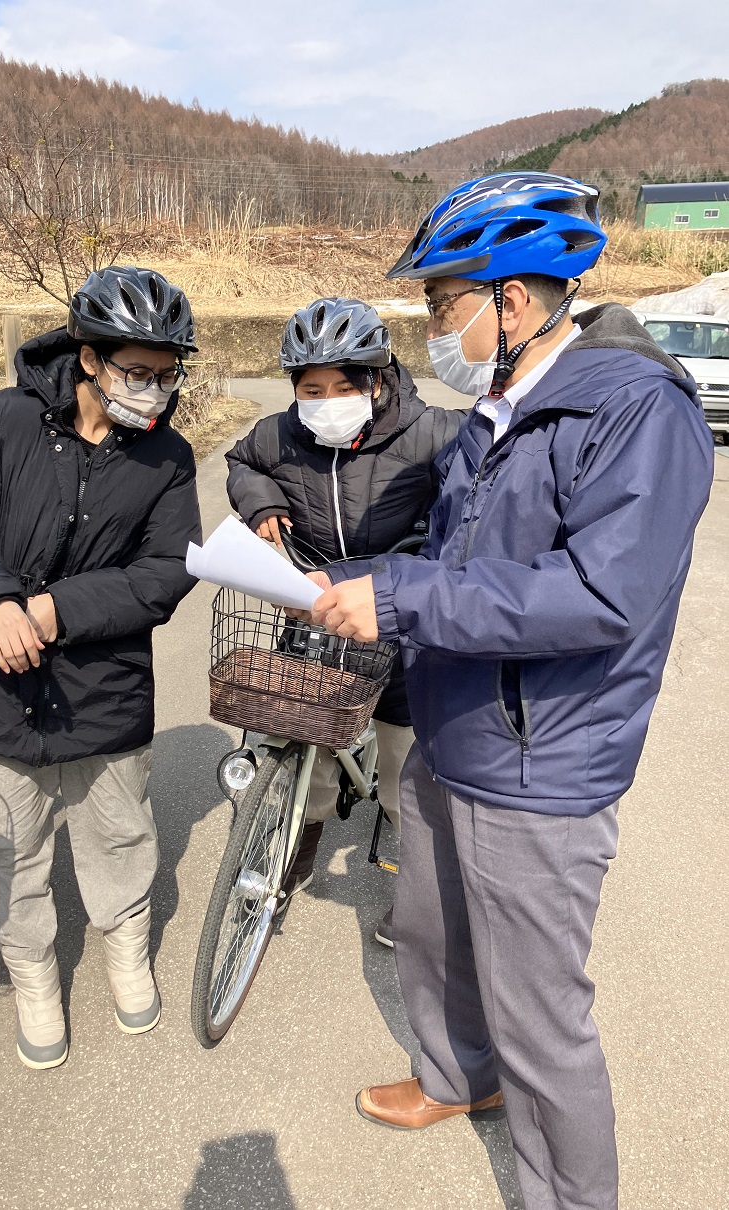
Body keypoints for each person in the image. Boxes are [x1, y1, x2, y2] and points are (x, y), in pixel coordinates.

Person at [306, 174, 714, 1209]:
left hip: (539, 755)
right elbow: (461, 558)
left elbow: (595, 596)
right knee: (433, 924)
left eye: (442, 304)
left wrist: (396, 596)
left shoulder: (633, 410)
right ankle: (457, 1077)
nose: (432, 327)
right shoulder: (502, 404)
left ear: (514, 301)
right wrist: (360, 583)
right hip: (455, 726)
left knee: (539, 1011)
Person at [0, 266, 201, 1069]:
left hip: (102, 688)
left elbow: (167, 570)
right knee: (6, 848)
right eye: (134, 371)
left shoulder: (167, 458)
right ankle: (33, 972)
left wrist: (56, 610)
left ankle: (125, 948)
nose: (151, 389)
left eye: (165, 373)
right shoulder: (6, 421)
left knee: (119, 831)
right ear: (87, 356)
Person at [225, 297, 465, 944]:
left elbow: (478, 490)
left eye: (343, 386)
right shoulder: (279, 435)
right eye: (311, 389)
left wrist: (427, 557)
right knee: (306, 759)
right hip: (314, 617)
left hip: (397, 629)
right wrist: (261, 503)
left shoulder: (431, 430)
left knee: (402, 777)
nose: (326, 400)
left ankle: (413, 895)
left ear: (377, 379)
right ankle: (284, 865)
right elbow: (241, 463)